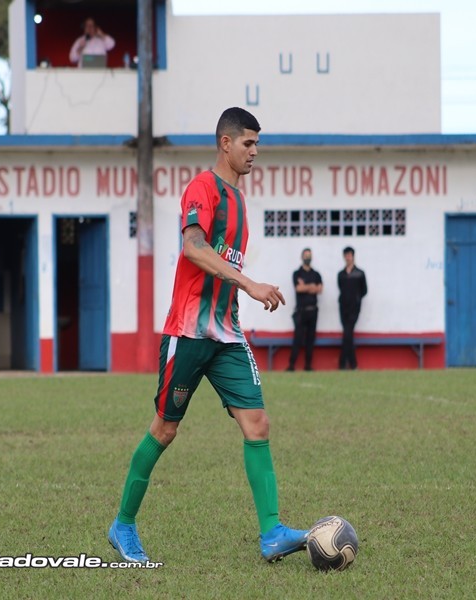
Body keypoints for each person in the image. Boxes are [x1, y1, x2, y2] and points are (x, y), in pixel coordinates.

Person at [107, 107, 308, 565]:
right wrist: (250, 284)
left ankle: (272, 533)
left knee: (257, 424)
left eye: (257, 144)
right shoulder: (202, 188)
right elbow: (194, 248)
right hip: (189, 330)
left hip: (227, 334)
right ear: (226, 143)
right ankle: (123, 524)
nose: (254, 152)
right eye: (248, 143)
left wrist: (240, 292)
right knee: (165, 429)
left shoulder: (240, 201)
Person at [286, 248, 322, 372]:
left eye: (309, 255)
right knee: (298, 338)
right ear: (302, 257)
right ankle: (291, 365)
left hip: (313, 311)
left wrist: (305, 286)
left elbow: (319, 289)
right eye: (306, 255)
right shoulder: (297, 273)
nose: (308, 258)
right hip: (301, 311)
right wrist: (311, 286)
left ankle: (308, 365)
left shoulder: (316, 274)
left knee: (310, 339)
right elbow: (298, 289)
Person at [337, 246, 368, 370]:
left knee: (347, 334)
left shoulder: (360, 273)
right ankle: (350, 364)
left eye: (349, 255)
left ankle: (344, 363)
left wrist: (356, 299)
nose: (348, 257)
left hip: (354, 308)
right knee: (347, 335)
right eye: (346, 255)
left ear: (353, 256)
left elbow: (364, 290)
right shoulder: (341, 274)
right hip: (343, 308)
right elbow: (340, 288)